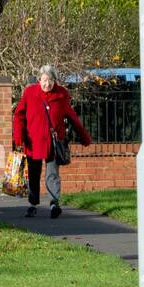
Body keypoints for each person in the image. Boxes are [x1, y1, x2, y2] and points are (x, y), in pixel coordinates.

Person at [12, 64, 91, 218]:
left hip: (54, 142)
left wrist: (84, 136)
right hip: (32, 142)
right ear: (39, 80)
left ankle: (54, 203)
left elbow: (72, 117)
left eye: (51, 80)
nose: (47, 84)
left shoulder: (62, 94)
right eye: (44, 80)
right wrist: (19, 137)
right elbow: (19, 116)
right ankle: (32, 204)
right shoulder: (30, 93)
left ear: (55, 81)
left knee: (52, 174)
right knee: (34, 174)